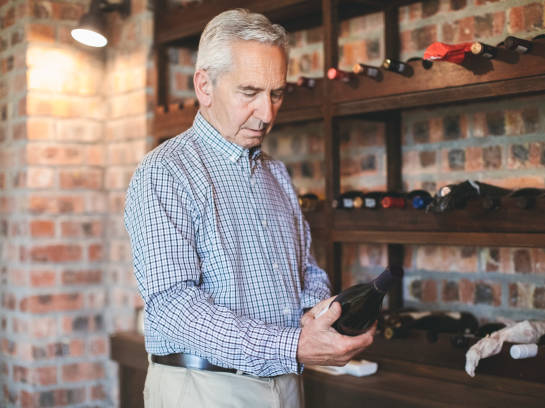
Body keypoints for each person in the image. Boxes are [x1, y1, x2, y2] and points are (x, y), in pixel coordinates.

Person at [124, 8, 375, 408]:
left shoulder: (276, 174)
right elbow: (173, 306)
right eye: (250, 93)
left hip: (287, 382)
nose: (268, 113)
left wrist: (317, 314)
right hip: (202, 389)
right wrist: (292, 343)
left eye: (276, 93)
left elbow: (305, 270)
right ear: (204, 86)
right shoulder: (165, 171)